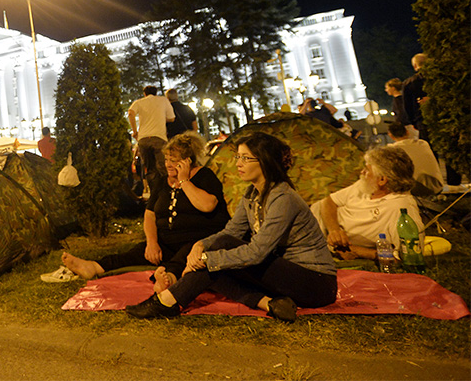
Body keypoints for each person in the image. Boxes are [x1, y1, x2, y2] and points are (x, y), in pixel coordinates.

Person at [126, 132, 337, 322]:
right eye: (238, 157)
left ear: (264, 162)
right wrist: (200, 246)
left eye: (245, 158)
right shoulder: (251, 194)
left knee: (219, 256)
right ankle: (268, 303)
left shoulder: (283, 198)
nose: (238, 163)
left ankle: (167, 301)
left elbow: (257, 252)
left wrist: (206, 259)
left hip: (315, 282)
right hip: (284, 274)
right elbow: (231, 231)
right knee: (218, 264)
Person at [61, 133, 230, 289]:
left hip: (196, 241)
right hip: (167, 242)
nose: (168, 164)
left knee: (185, 256)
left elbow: (207, 205)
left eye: (173, 160)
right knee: (135, 253)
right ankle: (93, 267)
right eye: (166, 159)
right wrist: (152, 243)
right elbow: (150, 214)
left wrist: (184, 180)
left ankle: (168, 279)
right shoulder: (163, 182)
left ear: (187, 161)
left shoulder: (204, 176)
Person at [310, 145, 424, 260]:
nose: (362, 172)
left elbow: (409, 257)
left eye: (367, 170)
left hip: (316, 242)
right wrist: (334, 230)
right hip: (315, 225)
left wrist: (358, 251)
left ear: (382, 180)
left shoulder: (400, 208)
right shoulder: (367, 187)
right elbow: (328, 200)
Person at [128, 86, 176, 186]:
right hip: (159, 138)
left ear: (144, 94)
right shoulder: (163, 100)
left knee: (149, 169)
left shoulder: (139, 102)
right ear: (156, 93)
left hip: (143, 139)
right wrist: (160, 118)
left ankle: (153, 190)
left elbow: (130, 113)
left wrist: (135, 131)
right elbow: (172, 118)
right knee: (162, 167)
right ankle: (165, 189)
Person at [386, 121, 443, 196]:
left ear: (391, 136)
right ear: (407, 132)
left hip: (414, 190)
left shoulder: (393, 149)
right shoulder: (423, 143)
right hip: (437, 186)